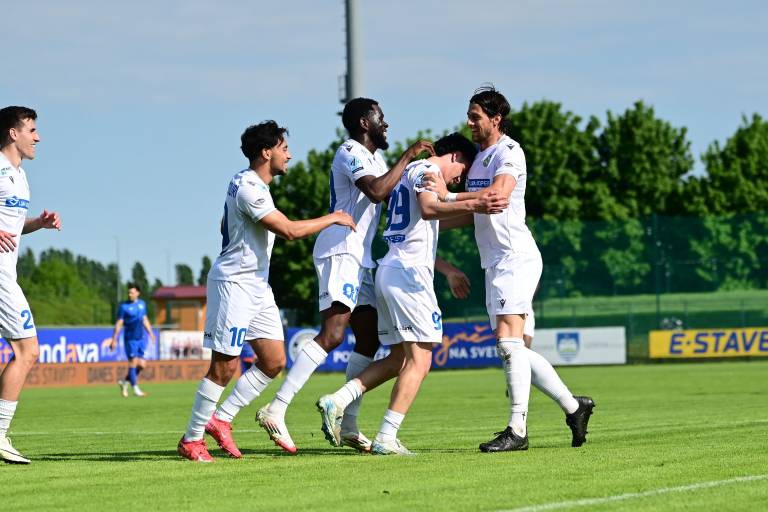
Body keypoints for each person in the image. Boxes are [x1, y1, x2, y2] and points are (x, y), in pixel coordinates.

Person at [256, 98, 433, 453]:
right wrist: (409, 155)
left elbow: (394, 192)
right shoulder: (349, 151)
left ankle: (348, 423)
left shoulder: (378, 161)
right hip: (340, 249)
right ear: (365, 122)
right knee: (333, 334)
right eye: (381, 118)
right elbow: (376, 191)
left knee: (368, 339)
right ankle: (277, 407)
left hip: (361, 258)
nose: (386, 124)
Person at [425, 86, 595, 452]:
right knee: (514, 349)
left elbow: (498, 197)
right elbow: (474, 212)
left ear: (496, 118)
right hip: (495, 262)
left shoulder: (509, 151)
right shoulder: (479, 160)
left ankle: (517, 431)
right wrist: (428, 220)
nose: (469, 123)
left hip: (515, 257)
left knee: (508, 343)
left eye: (476, 117)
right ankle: (574, 407)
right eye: (469, 117)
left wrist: (446, 197)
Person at [316, 133, 508, 455]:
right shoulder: (427, 170)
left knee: (398, 359)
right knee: (421, 359)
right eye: (462, 170)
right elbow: (430, 208)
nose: (459, 179)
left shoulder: (408, 173)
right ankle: (386, 436)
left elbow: (431, 219)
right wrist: (475, 202)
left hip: (391, 270)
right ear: (456, 156)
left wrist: (477, 210)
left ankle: (338, 399)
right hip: (409, 276)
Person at [177, 120, 355, 462]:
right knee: (224, 366)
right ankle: (192, 439)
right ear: (266, 152)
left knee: (274, 361)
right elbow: (289, 231)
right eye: (284, 148)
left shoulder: (249, 183)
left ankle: (222, 419)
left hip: (257, 286)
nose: (289, 155)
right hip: (234, 284)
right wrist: (333, 217)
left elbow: (224, 223)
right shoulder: (249, 188)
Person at [0, 106, 62, 464]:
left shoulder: (19, 175)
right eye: (32, 130)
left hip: (7, 273)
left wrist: (37, 223)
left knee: (26, 350)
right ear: (14, 133)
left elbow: (10, 226)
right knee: (28, 350)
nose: (37, 137)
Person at [110, 284, 157, 397]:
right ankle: (136, 389)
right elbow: (119, 323)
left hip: (141, 338)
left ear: (137, 293)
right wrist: (114, 339)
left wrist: (151, 333)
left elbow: (144, 319)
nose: (129, 294)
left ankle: (125, 382)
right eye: (129, 292)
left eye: (132, 292)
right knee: (133, 362)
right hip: (130, 339)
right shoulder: (124, 307)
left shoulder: (142, 304)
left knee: (142, 365)